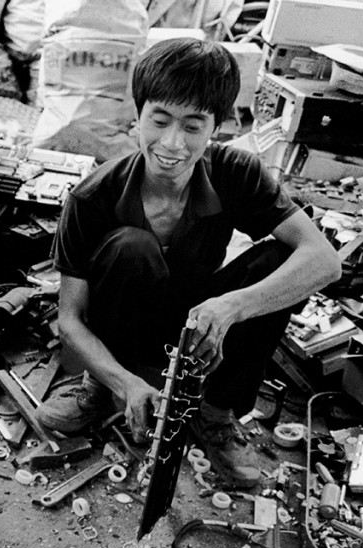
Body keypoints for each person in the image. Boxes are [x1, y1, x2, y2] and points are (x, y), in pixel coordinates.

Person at [34, 38, 341, 488]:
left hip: (197, 323)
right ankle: (100, 389)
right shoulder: (92, 197)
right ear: (137, 114)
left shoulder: (236, 171)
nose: (173, 144)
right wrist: (123, 383)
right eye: (159, 121)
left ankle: (213, 412)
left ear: (216, 126)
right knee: (130, 246)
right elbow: (70, 320)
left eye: (193, 126)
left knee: (280, 259)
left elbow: (325, 262)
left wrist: (232, 306)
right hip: (120, 323)